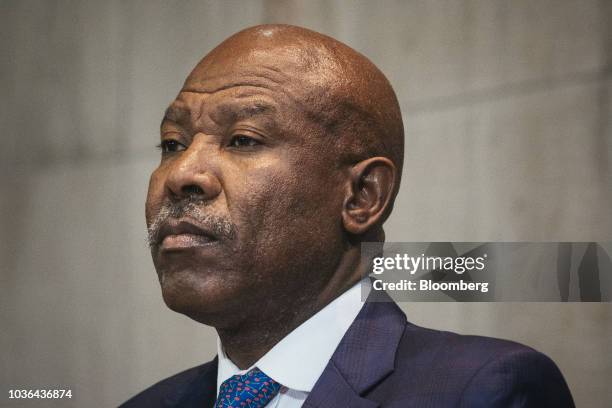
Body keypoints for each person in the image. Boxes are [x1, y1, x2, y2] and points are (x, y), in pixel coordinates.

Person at [122, 24, 574, 407]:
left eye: (243, 139)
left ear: (361, 196)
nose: (181, 173)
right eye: (172, 143)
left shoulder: (481, 390)